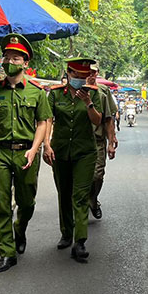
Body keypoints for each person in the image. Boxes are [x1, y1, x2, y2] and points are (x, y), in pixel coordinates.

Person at [0, 34, 51, 273]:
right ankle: (7, 252)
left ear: (26, 63)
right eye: (7, 57)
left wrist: (35, 150)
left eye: (16, 57)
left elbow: (42, 123)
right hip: (0, 153)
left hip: (26, 153)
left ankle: (20, 228)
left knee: (27, 202)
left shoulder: (36, 92)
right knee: (2, 205)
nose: (10, 61)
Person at [43, 58, 105, 262]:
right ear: (68, 73)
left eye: (82, 76)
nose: (79, 79)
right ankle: (66, 233)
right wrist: (46, 144)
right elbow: (48, 119)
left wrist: (88, 103)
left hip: (85, 152)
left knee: (80, 195)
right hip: (60, 151)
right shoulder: (55, 94)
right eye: (76, 75)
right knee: (64, 193)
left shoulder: (93, 93)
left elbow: (98, 121)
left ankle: (80, 241)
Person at [87, 68, 118, 220]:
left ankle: (92, 199)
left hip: (97, 140)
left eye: (94, 72)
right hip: (77, 141)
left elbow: (109, 119)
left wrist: (111, 141)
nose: (91, 75)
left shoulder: (102, 92)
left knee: (97, 176)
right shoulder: (72, 91)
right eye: (87, 72)